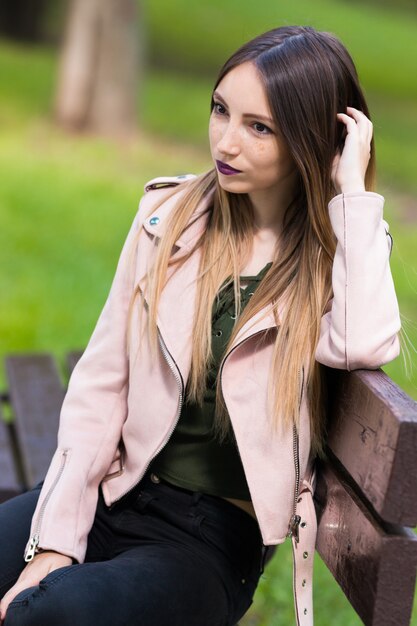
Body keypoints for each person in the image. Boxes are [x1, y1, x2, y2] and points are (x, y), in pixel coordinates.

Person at [0, 24, 401, 626]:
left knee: (52, 614)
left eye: (258, 127)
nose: (226, 142)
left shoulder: (334, 256)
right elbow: (101, 383)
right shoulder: (171, 219)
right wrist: (54, 542)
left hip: (210, 542)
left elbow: (363, 341)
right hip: (119, 490)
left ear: (312, 140)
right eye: (221, 111)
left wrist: (351, 193)